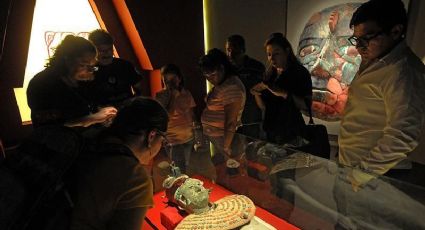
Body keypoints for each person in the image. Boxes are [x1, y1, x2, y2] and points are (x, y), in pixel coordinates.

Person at [338, 0, 425, 188]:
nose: (359, 46)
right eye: (356, 39)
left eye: (367, 38)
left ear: (395, 31)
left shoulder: (402, 71)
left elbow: (403, 134)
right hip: (356, 168)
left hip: (377, 175)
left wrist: (359, 175)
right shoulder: (375, 60)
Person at [70, 97, 169, 230]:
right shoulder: (134, 177)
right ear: (151, 136)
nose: (161, 146)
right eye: (163, 140)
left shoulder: (87, 142)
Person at [27, 35, 117, 128]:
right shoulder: (42, 83)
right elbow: (49, 126)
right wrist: (93, 118)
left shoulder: (83, 80)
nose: (90, 70)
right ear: (67, 59)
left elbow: (91, 105)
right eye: (83, 64)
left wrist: (103, 113)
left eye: (92, 66)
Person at [251, 33, 312, 145]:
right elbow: (264, 107)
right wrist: (257, 93)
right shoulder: (270, 74)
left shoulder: (300, 73)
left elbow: (307, 106)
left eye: (276, 53)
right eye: (269, 54)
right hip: (270, 132)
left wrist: (283, 93)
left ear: (287, 51)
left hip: (291, 134)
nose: (272, 58)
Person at [199, 48, 246, 164]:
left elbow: (231, 122)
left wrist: (226, 147)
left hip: (225, 140)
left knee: (230, 174)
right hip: (220, 138)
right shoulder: (224, 84)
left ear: (222, 68)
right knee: (222, 171)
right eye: (206, 75)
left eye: (212, 74)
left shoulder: (231, 87)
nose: (209, 79)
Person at [155, 64, 196, 173]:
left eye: (173, 79)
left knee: (186, 166)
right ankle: (178, 188)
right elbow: (166, 116)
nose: (170, 84)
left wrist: (195, 133)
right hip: (173, 140)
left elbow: (191, 114)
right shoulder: (160, 96)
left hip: (188, 137)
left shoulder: (186, 93)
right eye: (166, 80)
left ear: (179, 78)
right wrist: (173, 96)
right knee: (179, 170)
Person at [87, 29, 143, 108]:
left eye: (109, 49)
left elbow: (140, 88)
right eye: (101, 50)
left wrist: (134, 101)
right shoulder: (89, 71)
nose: (106, 53)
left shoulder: (125, 65)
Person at [225, 35, 265, 138]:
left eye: (235, 50)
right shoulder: (225, 69)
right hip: (231, 119)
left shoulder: (257, 67)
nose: (230, 54)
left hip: (252, 119)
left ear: (243, 50)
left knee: (252, 149)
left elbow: (264, 92)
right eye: (228, 50)